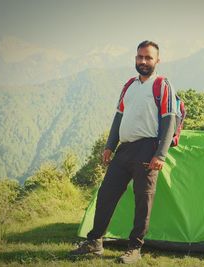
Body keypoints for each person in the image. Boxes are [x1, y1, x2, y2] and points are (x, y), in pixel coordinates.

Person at [70, 40, 176, 264]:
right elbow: (119, 116)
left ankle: (134, 249)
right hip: (124, 149)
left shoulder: (162, 85)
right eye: (140, 57)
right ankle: (94, 242)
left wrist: (161, 154)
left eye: (148, 57)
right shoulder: (129, 85)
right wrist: (110, 145)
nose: (143, 61)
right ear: (135, 58)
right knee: (106, 194)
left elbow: (170, 122)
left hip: (148, 149)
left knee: (143, 200)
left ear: (157, 60)